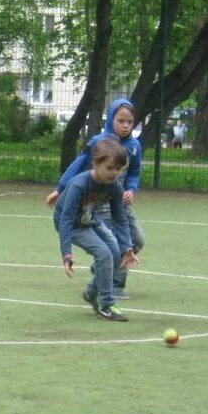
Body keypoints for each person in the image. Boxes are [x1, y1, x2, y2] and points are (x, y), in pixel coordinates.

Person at [45, 98, 145, 299]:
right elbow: (78, 165)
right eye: (120, 121)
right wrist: (60, 188)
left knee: (138, 240)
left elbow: (134, 173)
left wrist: (132, 190)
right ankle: (115, 284)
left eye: (130, 122)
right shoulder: (98, 143)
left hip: (120, 202)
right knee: (113, 244)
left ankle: (102, 267)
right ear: (111, 119)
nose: (125, 126)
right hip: (100, 203)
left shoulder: (134, 146)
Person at [52, 136, 139, 322]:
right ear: (95, 163)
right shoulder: (78, 185)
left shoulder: (114, 186)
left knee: (115, 253)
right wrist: (66, 254)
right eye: (109, 168)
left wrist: (127, 248)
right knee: (103, 254)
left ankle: (91, 292)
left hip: (91, 217)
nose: (114, 173)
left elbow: (120, 219)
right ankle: (106, 305)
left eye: (118, 169)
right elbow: (66, 220)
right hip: (73, 225)